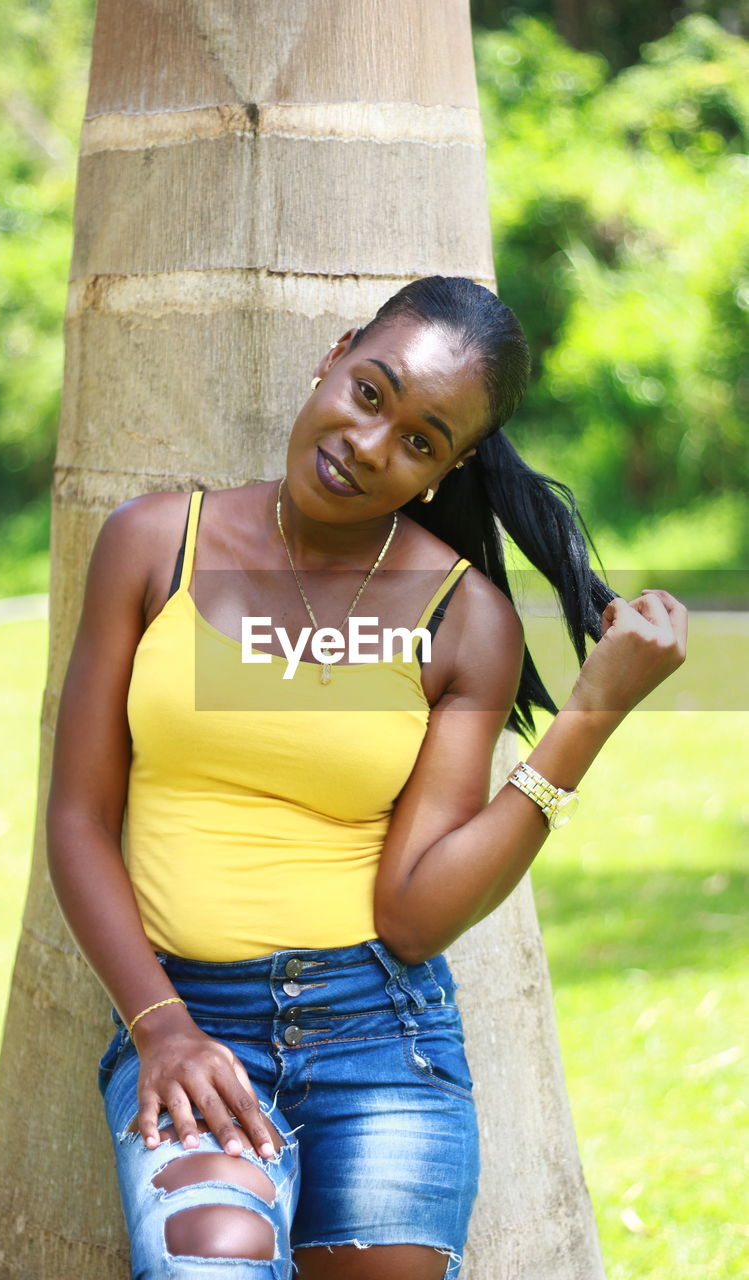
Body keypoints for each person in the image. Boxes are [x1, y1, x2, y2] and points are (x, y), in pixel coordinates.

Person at [46, 276, 687, 1280]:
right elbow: (80, 817)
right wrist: (159, 1023)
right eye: (371, 391)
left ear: (448, 468)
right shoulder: (154, 544)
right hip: (186, 1013)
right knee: (208, 1262)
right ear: (333, 355)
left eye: (421, 440)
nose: (369, 444)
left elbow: (414, 914)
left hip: (380, 1036)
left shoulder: (462, 618)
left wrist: (590, 711)